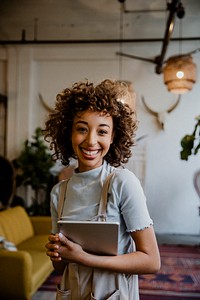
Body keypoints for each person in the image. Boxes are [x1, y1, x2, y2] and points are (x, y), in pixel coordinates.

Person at [44, 79, 160, 300]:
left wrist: (83, 257)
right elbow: (61, 269)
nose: (91, 141)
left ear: (113, 136)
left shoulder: (122, 182)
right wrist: (57, 254)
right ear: (69, 132)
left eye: (102, 131)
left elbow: (151, 261)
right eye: (82, 129)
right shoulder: (59, 192)